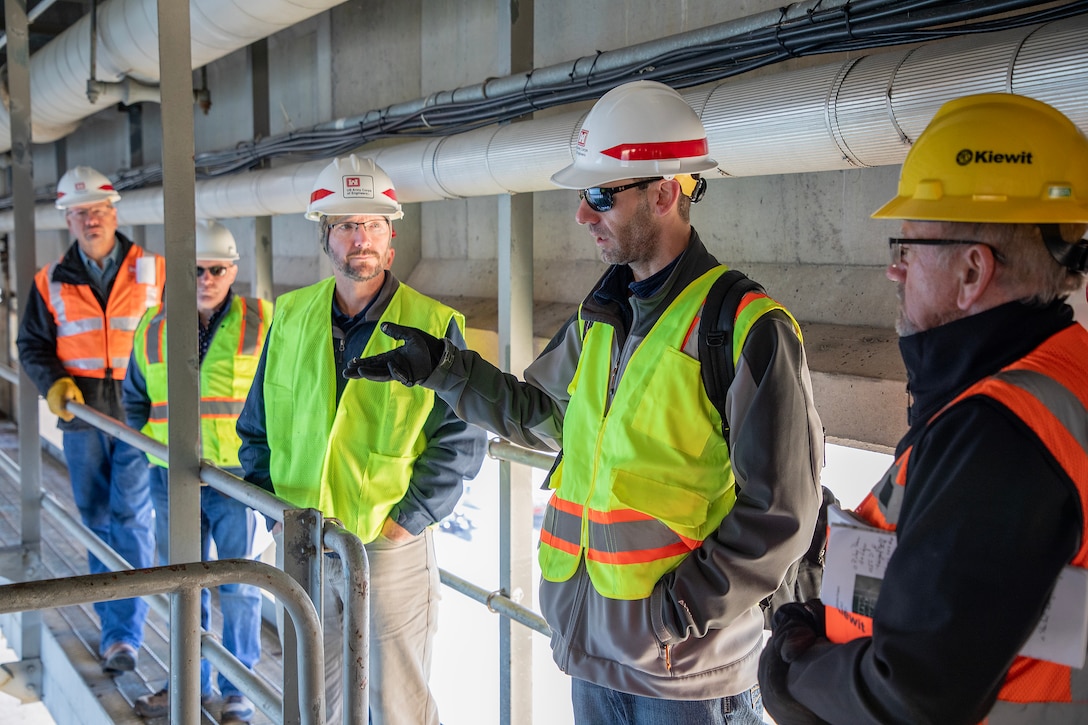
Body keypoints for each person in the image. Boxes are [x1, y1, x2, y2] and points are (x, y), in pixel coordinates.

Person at [347, 80, 824, 724]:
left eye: (600, 194)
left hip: (686, 680)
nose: (582, 214)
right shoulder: (602, 316)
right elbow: (546, 418)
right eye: (583, 194)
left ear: (664, 193)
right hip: (594, 660)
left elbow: (783, 510)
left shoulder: (744, 326)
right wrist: (445, 370)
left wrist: (680, 610)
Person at [757, 93, 1088, 724]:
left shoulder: (1000, 433)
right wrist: (826, 620)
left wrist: (799, 672)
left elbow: (912, 695)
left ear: (972, 271)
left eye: (909, 247)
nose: (895, 271)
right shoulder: (1053, 377)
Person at [236, 155, 486, 725]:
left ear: (391, 240)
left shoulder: (432, 322)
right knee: (310, 698)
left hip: (388, 545)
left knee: (395, 702)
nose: (360, 238)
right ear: (326, 237)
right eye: (347, 225)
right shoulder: (292, 316)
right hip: (302, 537)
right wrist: (273, 510)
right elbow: (256, 426)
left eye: (373, 224)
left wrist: (408, 520)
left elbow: (461, 438)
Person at [16, 166, 164, 675]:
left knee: (129, 516)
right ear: (68, 221)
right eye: (79, 213)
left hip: (139, 413)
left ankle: (125, 634)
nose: (89, 220)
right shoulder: (49, 280)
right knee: (97, 520)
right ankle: (112, 628)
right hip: (81, 415)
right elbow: (31, 344)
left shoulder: (154, 270)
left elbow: (183, 336)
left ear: (113, 213)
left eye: (96, 210)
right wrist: (53, 381)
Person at [122, 219, 270, 724]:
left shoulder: (264, 321)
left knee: (240, 586)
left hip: (236, 480)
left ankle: (237, 690)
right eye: (194, 270)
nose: (205, 278)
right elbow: (134, 400)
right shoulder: (153, 326)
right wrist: (154, 453)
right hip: (173, 482)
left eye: (215, 269)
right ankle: (187, 681)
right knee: (183, 586)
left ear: (232, 272)